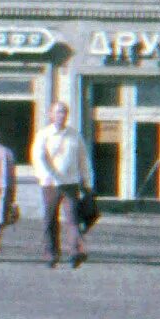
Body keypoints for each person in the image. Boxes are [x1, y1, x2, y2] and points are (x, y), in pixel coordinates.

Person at [33, 102, 93, 269]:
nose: (61, 115)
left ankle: (75, 253)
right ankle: (51, 254)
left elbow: (83, 159)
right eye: (58, 112)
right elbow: (38, 158)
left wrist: (86, 181)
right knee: (50, 219)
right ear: (50, 115)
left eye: (64, 112)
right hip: (50, 184)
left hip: (70, 184)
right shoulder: (43, 135)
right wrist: (46, 176)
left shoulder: (74, 135)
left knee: (72, 219)